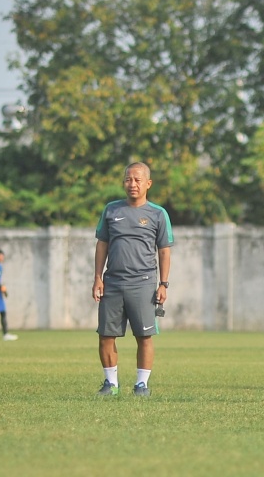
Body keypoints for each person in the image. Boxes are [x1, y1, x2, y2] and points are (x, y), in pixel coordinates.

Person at [92, 162, 173, 397]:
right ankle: (111, 384)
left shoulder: (158, 214)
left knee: (144, 336)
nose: (132, 184)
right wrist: (98, 277)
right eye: (128, 179)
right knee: (106, 335)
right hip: (113, 282)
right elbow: (102, 244)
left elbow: (164, 250)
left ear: (148, 184)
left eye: (138, 180)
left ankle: (141, 385)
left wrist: (163, 284)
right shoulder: (111, 210)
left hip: (144, 283)